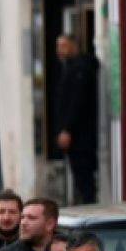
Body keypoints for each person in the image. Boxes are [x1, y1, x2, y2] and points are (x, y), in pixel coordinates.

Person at [54, 35, 99, 204]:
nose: (60, 49)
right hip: (75, 137)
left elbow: (77, 102)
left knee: (84, 179)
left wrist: (67, 129)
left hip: (81, 137)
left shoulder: (81, 68)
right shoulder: (69, 68)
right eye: (58, 45)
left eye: (64, 45)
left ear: (75, 45)